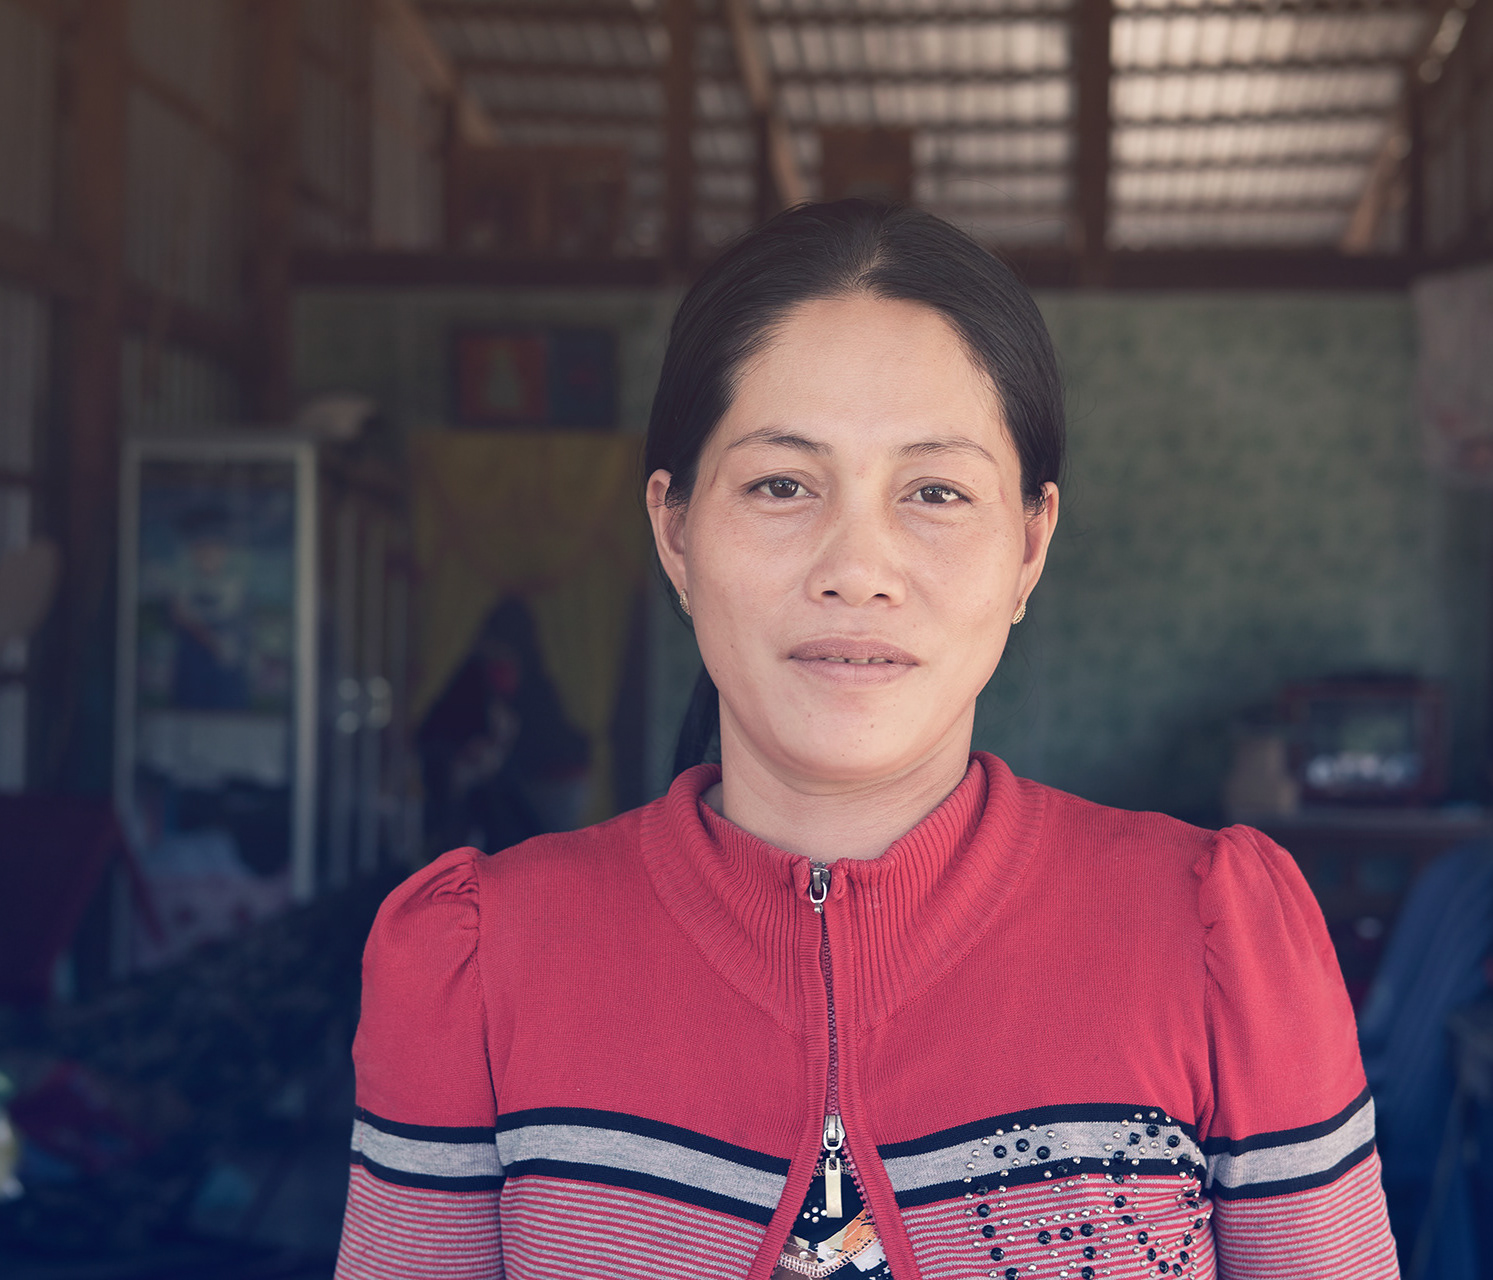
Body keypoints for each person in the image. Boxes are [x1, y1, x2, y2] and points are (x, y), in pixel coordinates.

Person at [334, 201, 1399, 1280]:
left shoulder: (1215, 944)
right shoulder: (475, 964)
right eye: (780, 484)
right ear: (675, 530)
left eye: (934, 490)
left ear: (1028, 547)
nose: (856, 568)